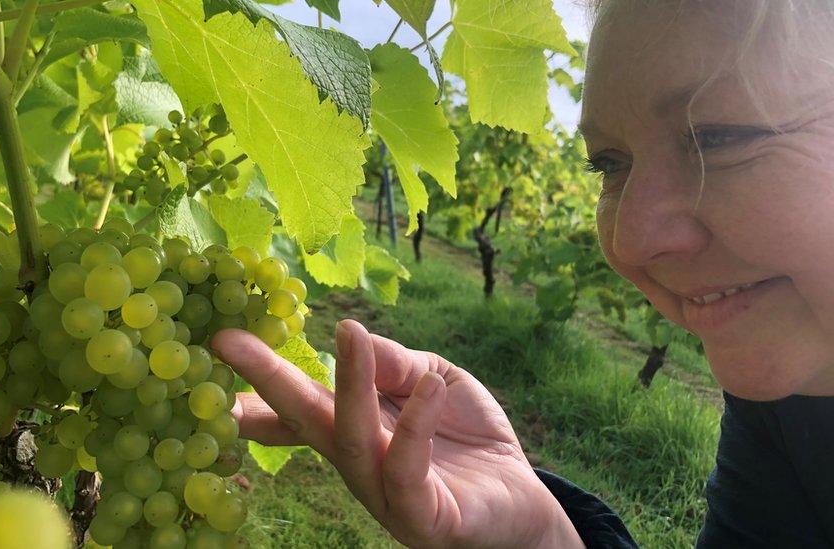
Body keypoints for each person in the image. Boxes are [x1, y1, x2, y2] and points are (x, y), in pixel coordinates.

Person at [211, 0, 834, 546]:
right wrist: (541, 535)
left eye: (720, 137)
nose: (630, 240)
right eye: (609, 165)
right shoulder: (786, 410)